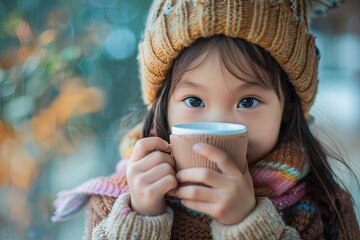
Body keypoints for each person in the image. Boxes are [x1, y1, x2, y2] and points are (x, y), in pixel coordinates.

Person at [52, 0, 360, 239]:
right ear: (162, 106)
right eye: (194, 100)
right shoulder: (118, 200)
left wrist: (248, 223)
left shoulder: (325, 206)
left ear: (288, 109)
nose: (216, 122)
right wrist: (141, 218)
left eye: (248, 101)